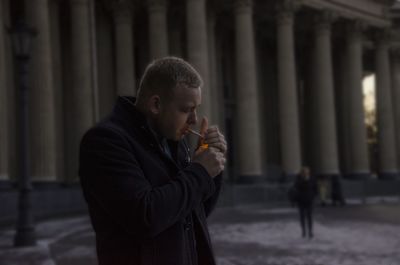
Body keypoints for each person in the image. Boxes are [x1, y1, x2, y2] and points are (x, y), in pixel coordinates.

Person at [79, 57, 227, 265]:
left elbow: (194, 212)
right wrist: (200, 171)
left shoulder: (172, 139)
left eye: (196, 109)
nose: (194, 119)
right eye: (186, 109)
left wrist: (212, 164)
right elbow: (145, 217)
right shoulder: (105, 141)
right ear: (156, 104)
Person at [294, 166, 317, 239]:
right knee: (302, 217)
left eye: (307, 171)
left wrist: (313, 196)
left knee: (309, 216)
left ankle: (310, 231)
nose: (306, 173)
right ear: (302, 172)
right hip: (301, 200)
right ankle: (303, 231)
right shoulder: (299, 179)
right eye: (305, 172)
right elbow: (297, 187)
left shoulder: (312, 179)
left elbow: (315, 188)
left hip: (309, 200)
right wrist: (304, 180)